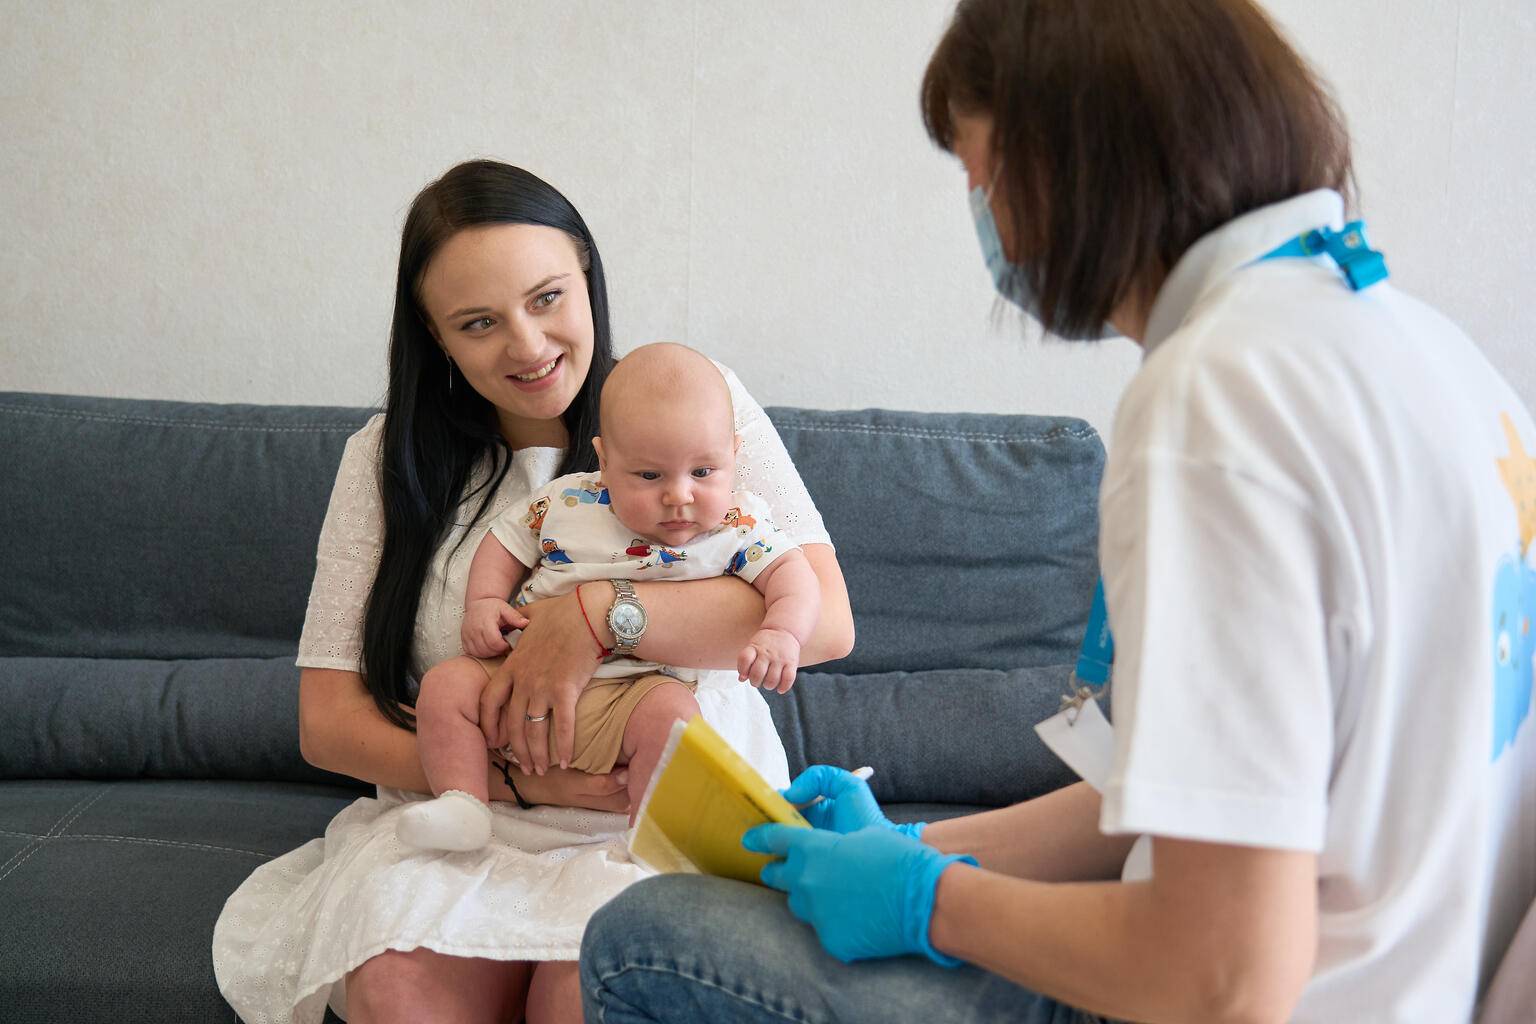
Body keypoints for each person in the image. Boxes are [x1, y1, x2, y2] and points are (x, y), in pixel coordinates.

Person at [579, 1, 1536, 1021]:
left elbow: (1224, 978)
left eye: (979, 172)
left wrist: (927, 902)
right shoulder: (1430, 352)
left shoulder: (1219, 399)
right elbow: (1174, 804)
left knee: (641, 939)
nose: (984, 211)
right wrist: (907, 847)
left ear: (1072, 154)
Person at [210, 161, 854, 1024]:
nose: (526, 344)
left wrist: (596, 619)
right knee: (401, 990)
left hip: (649, 817)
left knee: (584, 993)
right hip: (466, 814)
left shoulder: (696, 402)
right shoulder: (384, 459)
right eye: (479, 322)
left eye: (547, 297)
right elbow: (326, 722)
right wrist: (516, 785)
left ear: (587, 276)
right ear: (436, 337)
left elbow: (824, 622)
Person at [399, 342, 821, 850]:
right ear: (605, 459)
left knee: (675, 719)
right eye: (649, 475)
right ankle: (463, 807)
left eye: (704, 472)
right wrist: (485, 603)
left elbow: (793, 575)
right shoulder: (571, 499)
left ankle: (652, 834)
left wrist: (781, 631)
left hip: (635, 693)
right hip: (521, 675)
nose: (679, 495)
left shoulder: (739, 523)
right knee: (445, 688)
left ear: (733, 454)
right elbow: (505, 540)